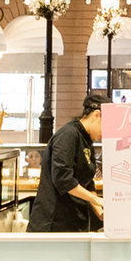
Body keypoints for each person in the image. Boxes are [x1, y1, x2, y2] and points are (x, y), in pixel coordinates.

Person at [27, 95, 106, 233]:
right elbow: (63, 179)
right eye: (106, 125)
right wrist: (96, 199)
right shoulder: (68, 134)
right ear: (96, 115)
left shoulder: (87, 140)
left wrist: (97, 207)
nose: (105, 132)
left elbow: (86, 182)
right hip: (53, 223)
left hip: (74, 221)